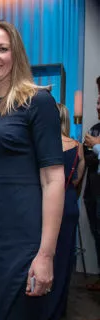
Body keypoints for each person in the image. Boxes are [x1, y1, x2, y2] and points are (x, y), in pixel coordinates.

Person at [0, 19, 64, 320]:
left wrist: (46, 254)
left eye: (2, 49)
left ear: (15, 55)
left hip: (23, 239)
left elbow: (53, 179)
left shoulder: (38, 101)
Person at [46, 103, 85, 320]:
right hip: (69, 204)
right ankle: (57, 312)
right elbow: (78, 180)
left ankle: (41, 310)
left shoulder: (44, 146)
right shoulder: (77, 146)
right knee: (63, 261)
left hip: (47, 206)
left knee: (44, 257)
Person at [83, 76, 100, 291]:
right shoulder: (95, 128)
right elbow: (87, 158)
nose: (97, 106)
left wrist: (96, 146)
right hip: (94, 193)